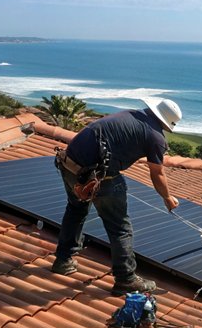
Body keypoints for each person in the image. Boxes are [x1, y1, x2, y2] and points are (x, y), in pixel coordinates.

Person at [51, 98, 181, 295]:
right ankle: (126, 279)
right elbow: (157, 173)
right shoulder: (155, 136)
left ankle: (62, 261)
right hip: (96, 174)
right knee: (120, 227)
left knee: (76, 209)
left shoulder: (131, 115)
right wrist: (167, 198)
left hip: (69, 164)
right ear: (166, 122)